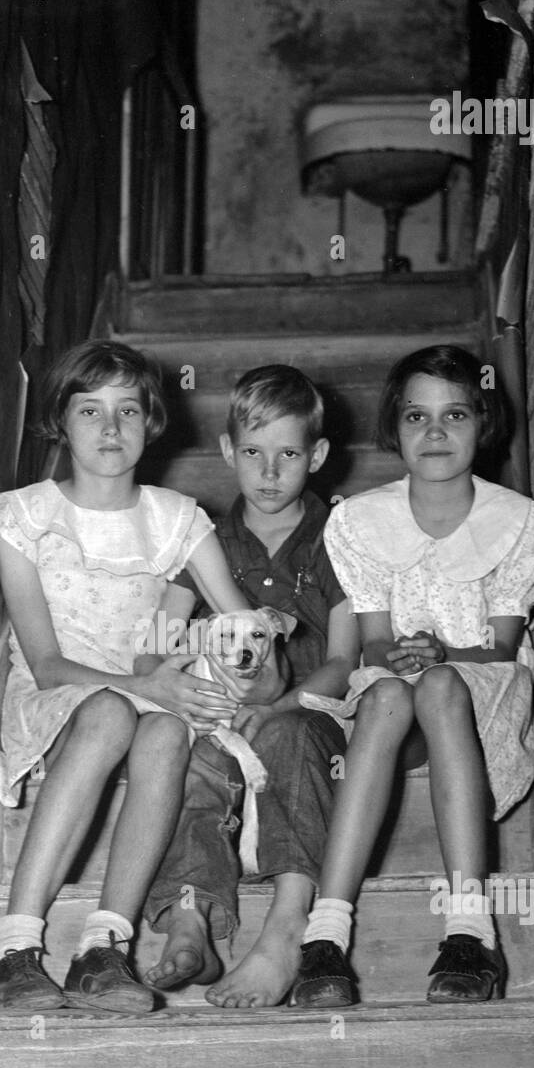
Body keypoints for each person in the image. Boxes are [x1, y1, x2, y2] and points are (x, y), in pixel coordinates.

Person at [0, 339, 248, 1014]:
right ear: (60, 422)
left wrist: (233, 661)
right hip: (58, 695)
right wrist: (148, 686)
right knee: (111, 712)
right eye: (89, 411)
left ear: (151, 421)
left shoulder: (177, 519)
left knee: (163, 735)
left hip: (144, 692)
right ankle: (12, 949)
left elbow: (241, 626)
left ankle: (103, 948)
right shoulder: (25, 516)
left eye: (128, 411)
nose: (109, 429)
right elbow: (45, 665)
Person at [292, 344, 534, 1008]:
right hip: (397, 696)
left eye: (454, 414)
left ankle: (469, 930)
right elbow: (373, 644)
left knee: (439, 685)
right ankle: (325, 935)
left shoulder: (516, 519)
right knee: (382, 695)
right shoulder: (357, 519)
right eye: (415, 416)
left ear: (482, 423)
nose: (433, 433)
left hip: (479, 689)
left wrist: (438, 658)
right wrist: (397, 655)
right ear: (395, 427)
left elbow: (499, 647)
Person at [144, 365, 360, 1007]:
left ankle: (287, 931)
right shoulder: (204, 541)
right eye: (253, 453)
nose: (269, 473)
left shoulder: (338, 538)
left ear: (317, 455)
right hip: (219, 715)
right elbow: (154, 643)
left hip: (310, 713)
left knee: (291, 739)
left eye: (288, 454)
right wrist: (172, 685)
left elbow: (345, 658)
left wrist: (281, 705)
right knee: (193, 756)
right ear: (226, 452)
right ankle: (192, 915)